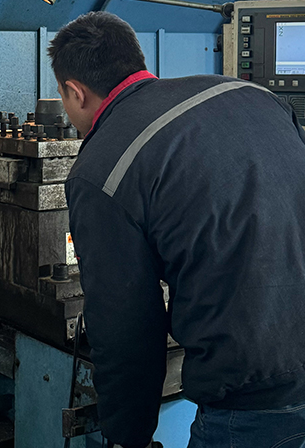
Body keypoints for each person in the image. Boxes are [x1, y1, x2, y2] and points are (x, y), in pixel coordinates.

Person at [49, 11, 305, 448]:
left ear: (75, 91)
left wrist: (128, 436)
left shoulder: (101, 169)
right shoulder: (251, 94)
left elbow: (125, 327)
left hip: (255, 400)